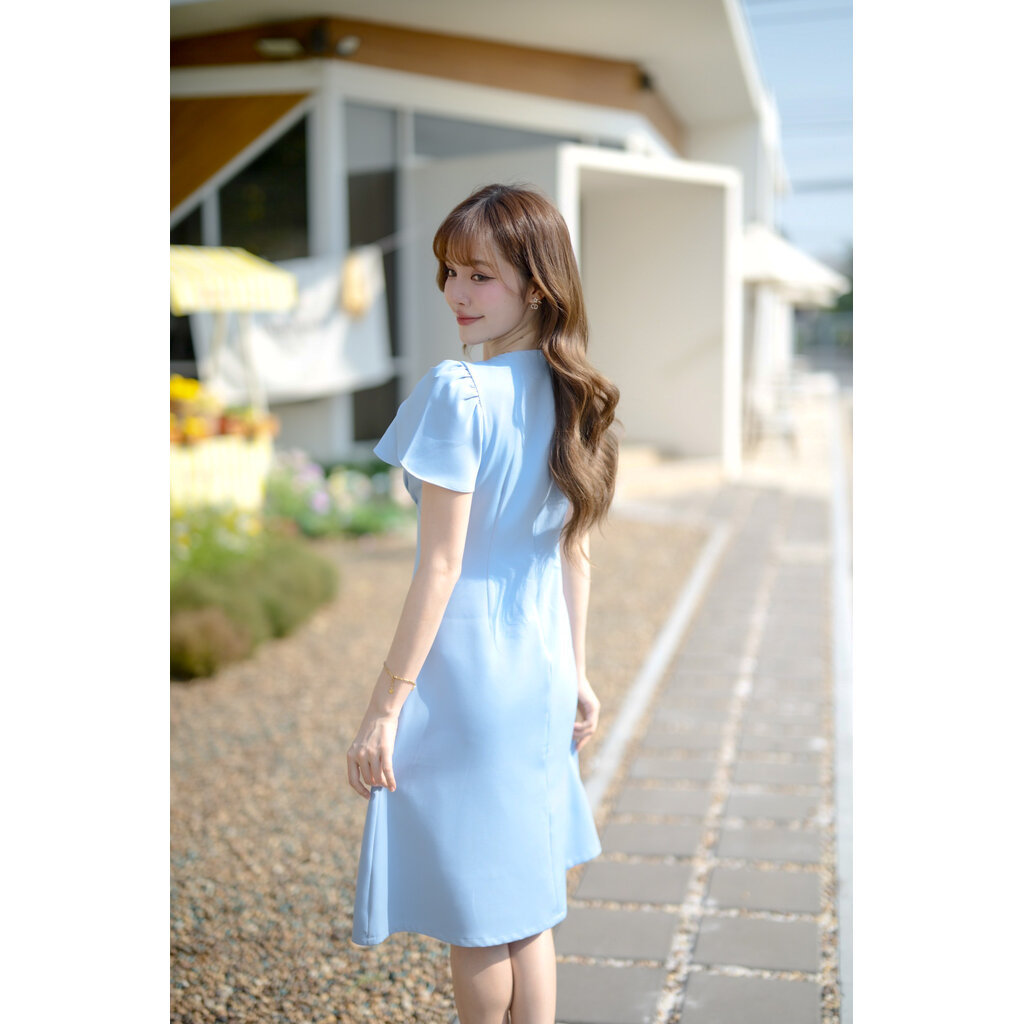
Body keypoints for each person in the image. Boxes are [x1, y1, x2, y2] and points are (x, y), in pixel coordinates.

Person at [347, 183, 621, 1024]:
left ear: (536, 286)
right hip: (538, 675)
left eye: (479, 275)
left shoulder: (460, 393)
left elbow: (441, 566)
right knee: (525, 902)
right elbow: (573, 551)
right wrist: (577, 673)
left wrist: (385, 707)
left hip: (468, 682)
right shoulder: (577, 397)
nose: (455, 293)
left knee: (476, 916)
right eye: (448, 272)